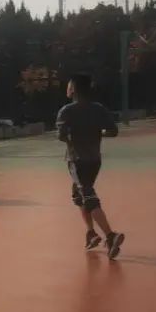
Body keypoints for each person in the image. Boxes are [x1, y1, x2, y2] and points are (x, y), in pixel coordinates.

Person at [56, 73, 125, 259]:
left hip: (77, 160)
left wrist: (76, 135)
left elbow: (62, 135)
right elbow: (113, 131)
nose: (67, 88)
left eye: (69, 85)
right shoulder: (98, 108)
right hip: (95, 159)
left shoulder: (66, 111)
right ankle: (91, 233)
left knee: (87, 195)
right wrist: (96, 132)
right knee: (78, 195)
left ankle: (110, 235)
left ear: (73, 89)